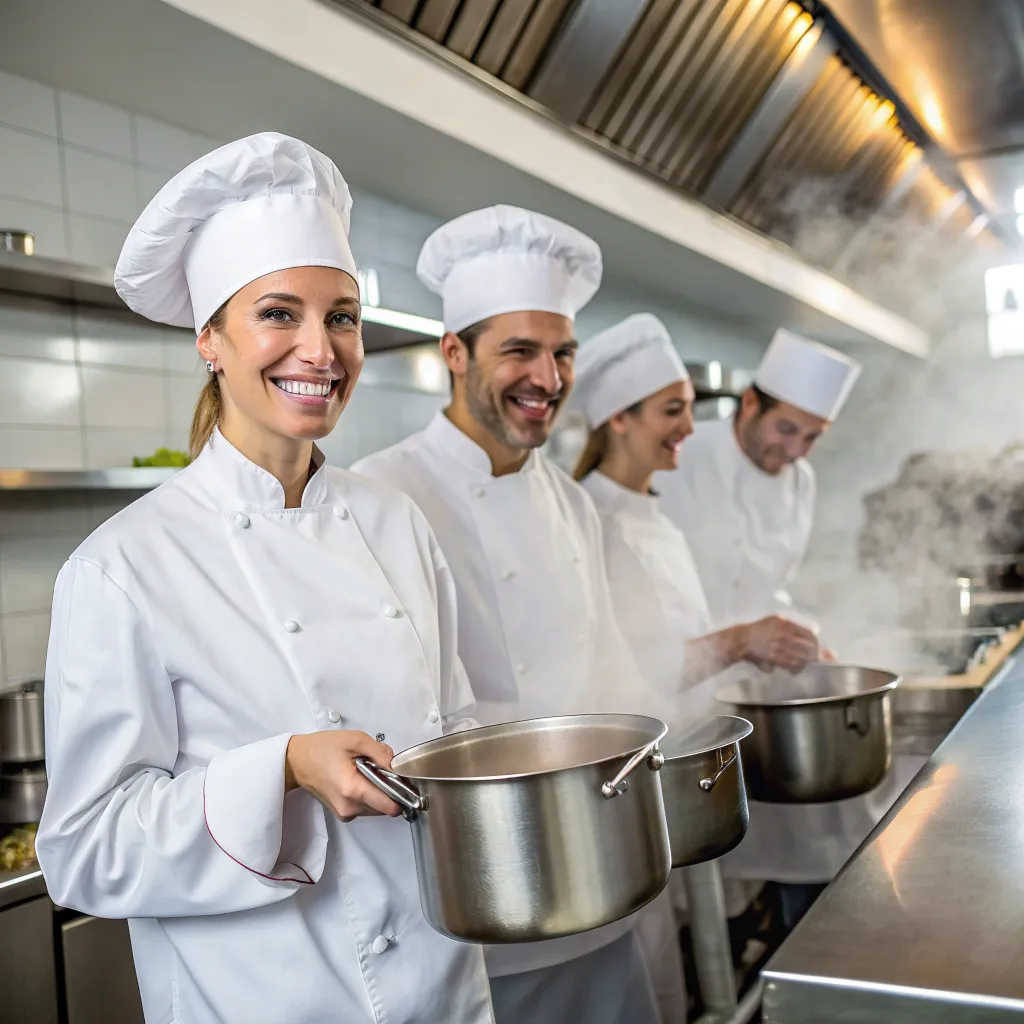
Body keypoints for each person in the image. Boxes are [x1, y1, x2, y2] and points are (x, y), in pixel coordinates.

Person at [35, 133, 493, 1024]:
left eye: (343, 316)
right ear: (210, 339)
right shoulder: (124, 565)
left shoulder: (396, 522)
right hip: (266, 1001)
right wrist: (280, 768)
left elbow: (456, 734)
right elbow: (84, 852)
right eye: (279, 314)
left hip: (445, 987)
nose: (321, 350)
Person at [353, 206, 666, 1024]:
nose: (550, 378)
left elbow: (612, 673)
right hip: (479, 895)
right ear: (453, 353)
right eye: (520, 351)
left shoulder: (570, 501)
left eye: (562, 352)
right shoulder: (380, 498)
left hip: (599, 878)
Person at [570, 314, 822, 1022]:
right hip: (642, 775)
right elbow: (632, 672)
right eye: (672, 410)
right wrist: (743, 639)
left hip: (685, 763)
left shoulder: (652, 510)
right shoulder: (594, 518)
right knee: (660, 972)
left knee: (698, 963)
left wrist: (760, 641)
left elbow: (683, 640)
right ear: (619, 419)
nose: (688, 427)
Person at [655, 328, 868, 930]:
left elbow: (766, 583)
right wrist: (745, 635)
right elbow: (673, 591)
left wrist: (798, 633)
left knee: (809, 828)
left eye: (812, 437)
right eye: (786, 429)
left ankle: (787, 937)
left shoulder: (801, 480)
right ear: (750, 404)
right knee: (715, 865)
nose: (795, 450)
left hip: (758, 678)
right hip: (690, 681)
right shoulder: (683, 457)